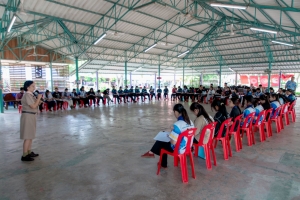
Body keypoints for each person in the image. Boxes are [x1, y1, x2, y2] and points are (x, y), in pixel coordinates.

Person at [141, 104, 194, 168]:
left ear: (176, 112)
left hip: (179, 149)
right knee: (163, 141)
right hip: (188, 147)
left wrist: (170, 136)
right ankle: (152, 154)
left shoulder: (177, 124)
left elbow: (173, 142)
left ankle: (160, 161)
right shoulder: (190, 122)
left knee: (162, 142)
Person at [20, 81, 42, 161]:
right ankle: (25, 155)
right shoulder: (27, 95)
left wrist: (38, 101)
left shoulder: (31, 95)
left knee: (30, 135)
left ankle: (29, 152)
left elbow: (35, 104)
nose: (34, 87)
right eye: (32, 86)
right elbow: (33, 106)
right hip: (28, 116)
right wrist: (38, 98)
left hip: (31, 115)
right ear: (28, 87)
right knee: (27, 136)